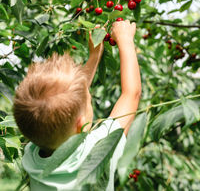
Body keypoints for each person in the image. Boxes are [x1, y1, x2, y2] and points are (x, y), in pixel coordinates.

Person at [13, 20, 141, 191]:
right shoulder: (98, 150)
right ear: (81, 125)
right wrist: (126, 40)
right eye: (87, 99)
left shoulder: (32, 155)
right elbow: (131, 94)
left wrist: (95, 56)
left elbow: (67, 99)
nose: (86, 94)